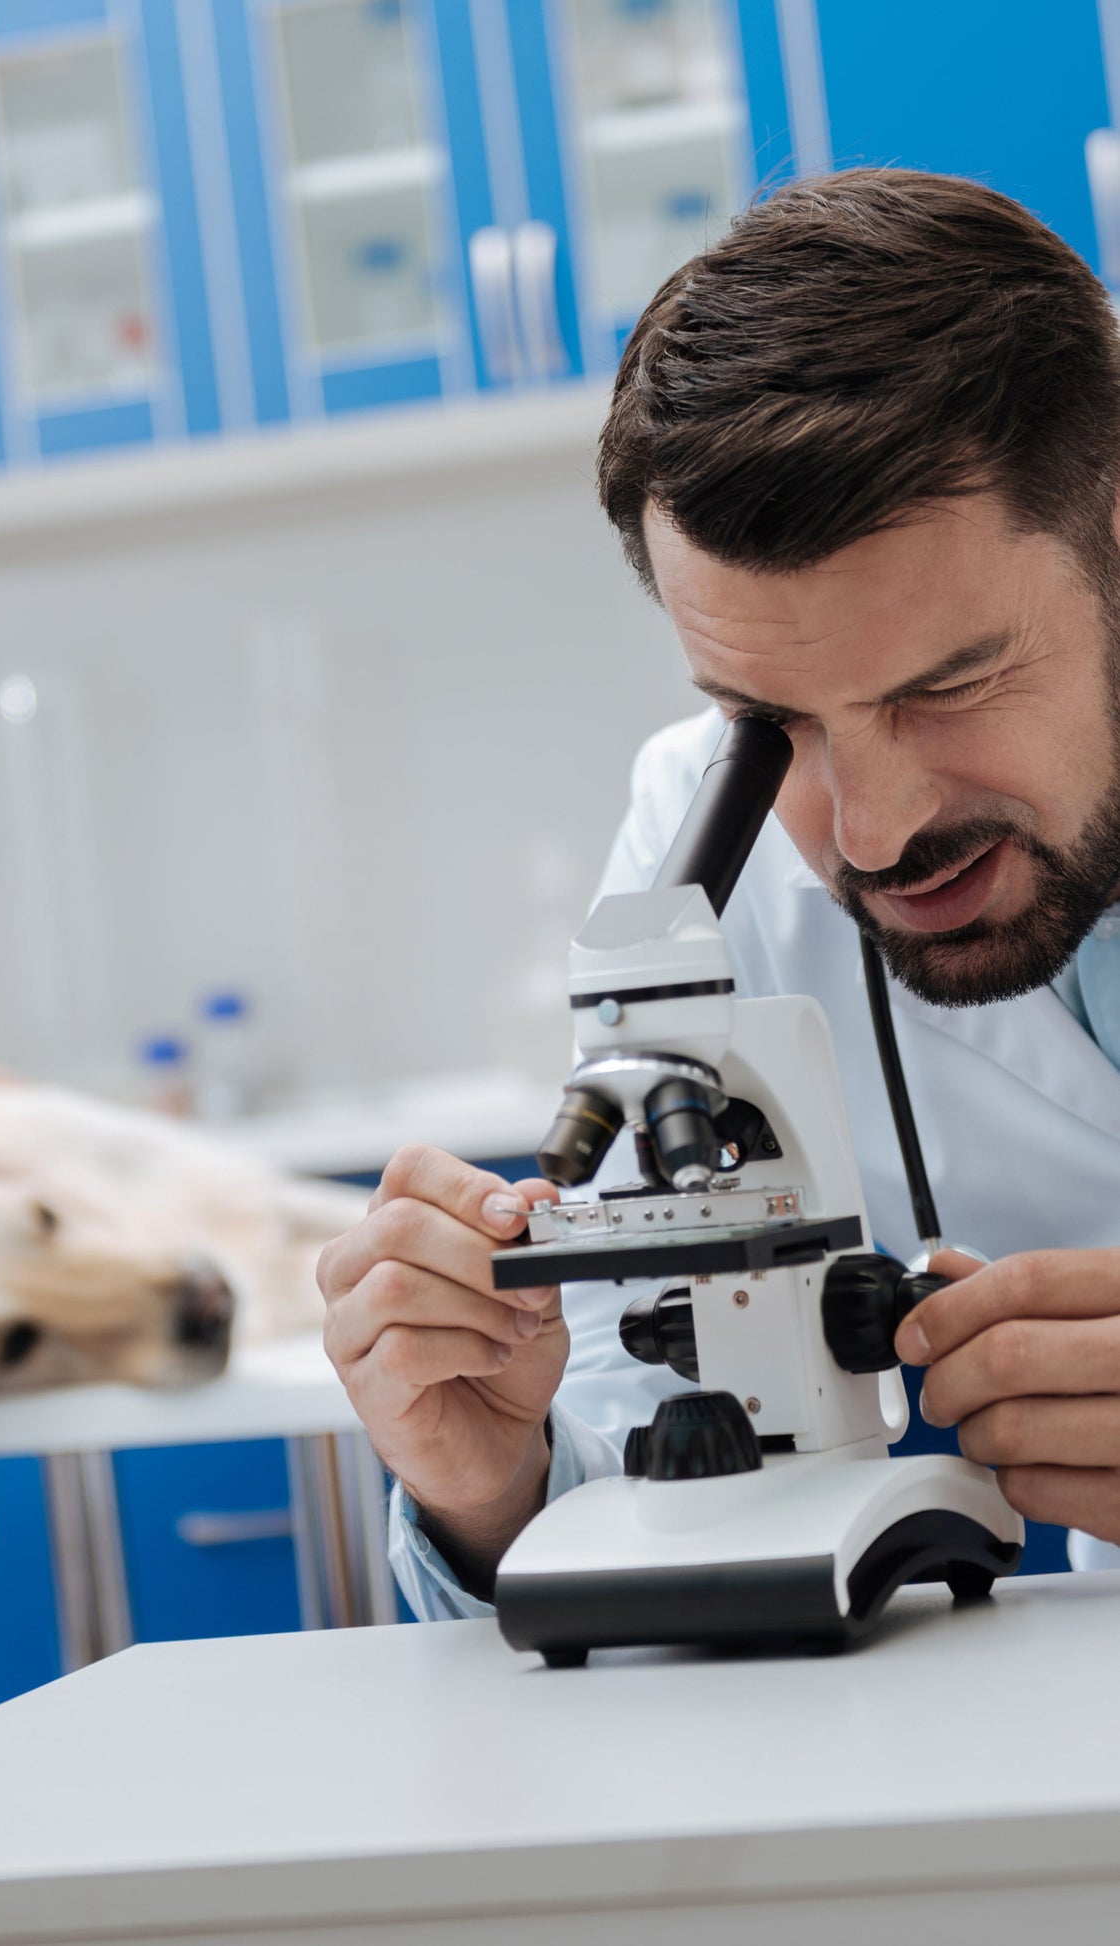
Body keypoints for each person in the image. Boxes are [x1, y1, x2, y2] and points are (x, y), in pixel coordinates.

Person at [316, 169, 1120, 1619]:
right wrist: (494, 1487)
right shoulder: (700, 840)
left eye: (946, 685)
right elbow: (642, 1443)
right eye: (775, 723)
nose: (867, 836)